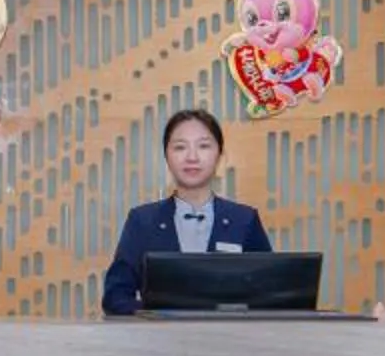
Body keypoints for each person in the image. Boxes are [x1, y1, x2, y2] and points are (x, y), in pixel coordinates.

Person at [102, 107, 273, 315]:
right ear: (166, 155)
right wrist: (156, 315)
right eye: (180, 147)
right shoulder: (142, 220)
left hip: (230, 342)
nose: (192, 157)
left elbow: (268, 294)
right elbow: (115, 295)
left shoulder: (244, 220)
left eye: (203, 146)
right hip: (158, 342)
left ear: (219, 154)